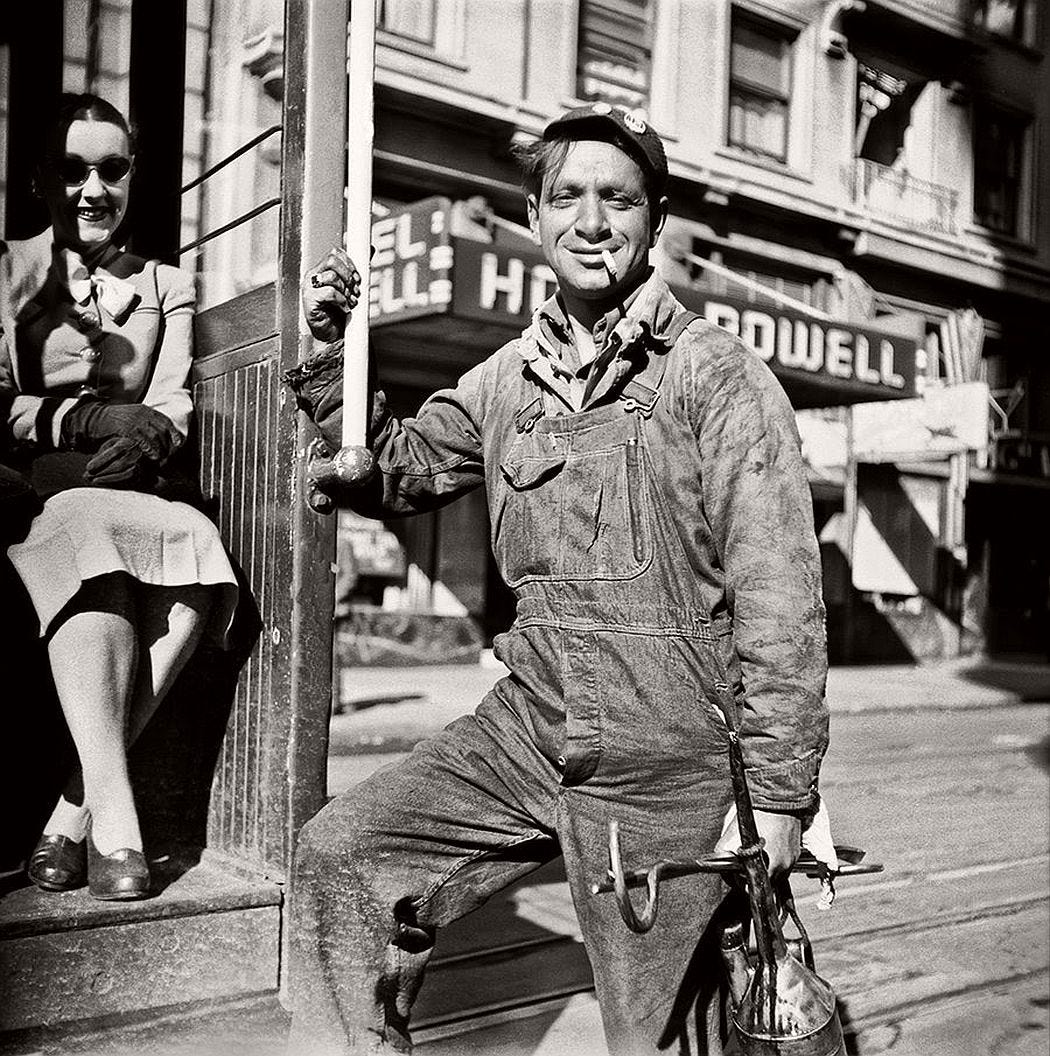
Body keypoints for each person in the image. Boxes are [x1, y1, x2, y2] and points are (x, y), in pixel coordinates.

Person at [286, 103, 829, 1055]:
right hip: (530, 726)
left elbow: (781, 600)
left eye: (617, 199)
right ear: (535, 219)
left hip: (670, 756)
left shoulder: (718, 377)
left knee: (655, 1035)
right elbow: (400, 464)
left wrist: (779, 797)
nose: (591, 221)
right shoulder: (504, 381)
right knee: (342, 857)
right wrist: (337, 350)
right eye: (566, 197)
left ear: (655, 222)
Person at [0, 93, 238, 901]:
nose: (93, 189)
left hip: (132, 478)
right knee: (83, 527)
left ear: (133, 175)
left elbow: (173, 401)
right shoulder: (7, 271)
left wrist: (149, 436)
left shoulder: (169, 283)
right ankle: (118, 822)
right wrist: (85, 417)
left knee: (201, 555)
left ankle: (75, 811)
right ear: (41, 180)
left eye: (111, 169)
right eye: (71, 171)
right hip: (43, 484)